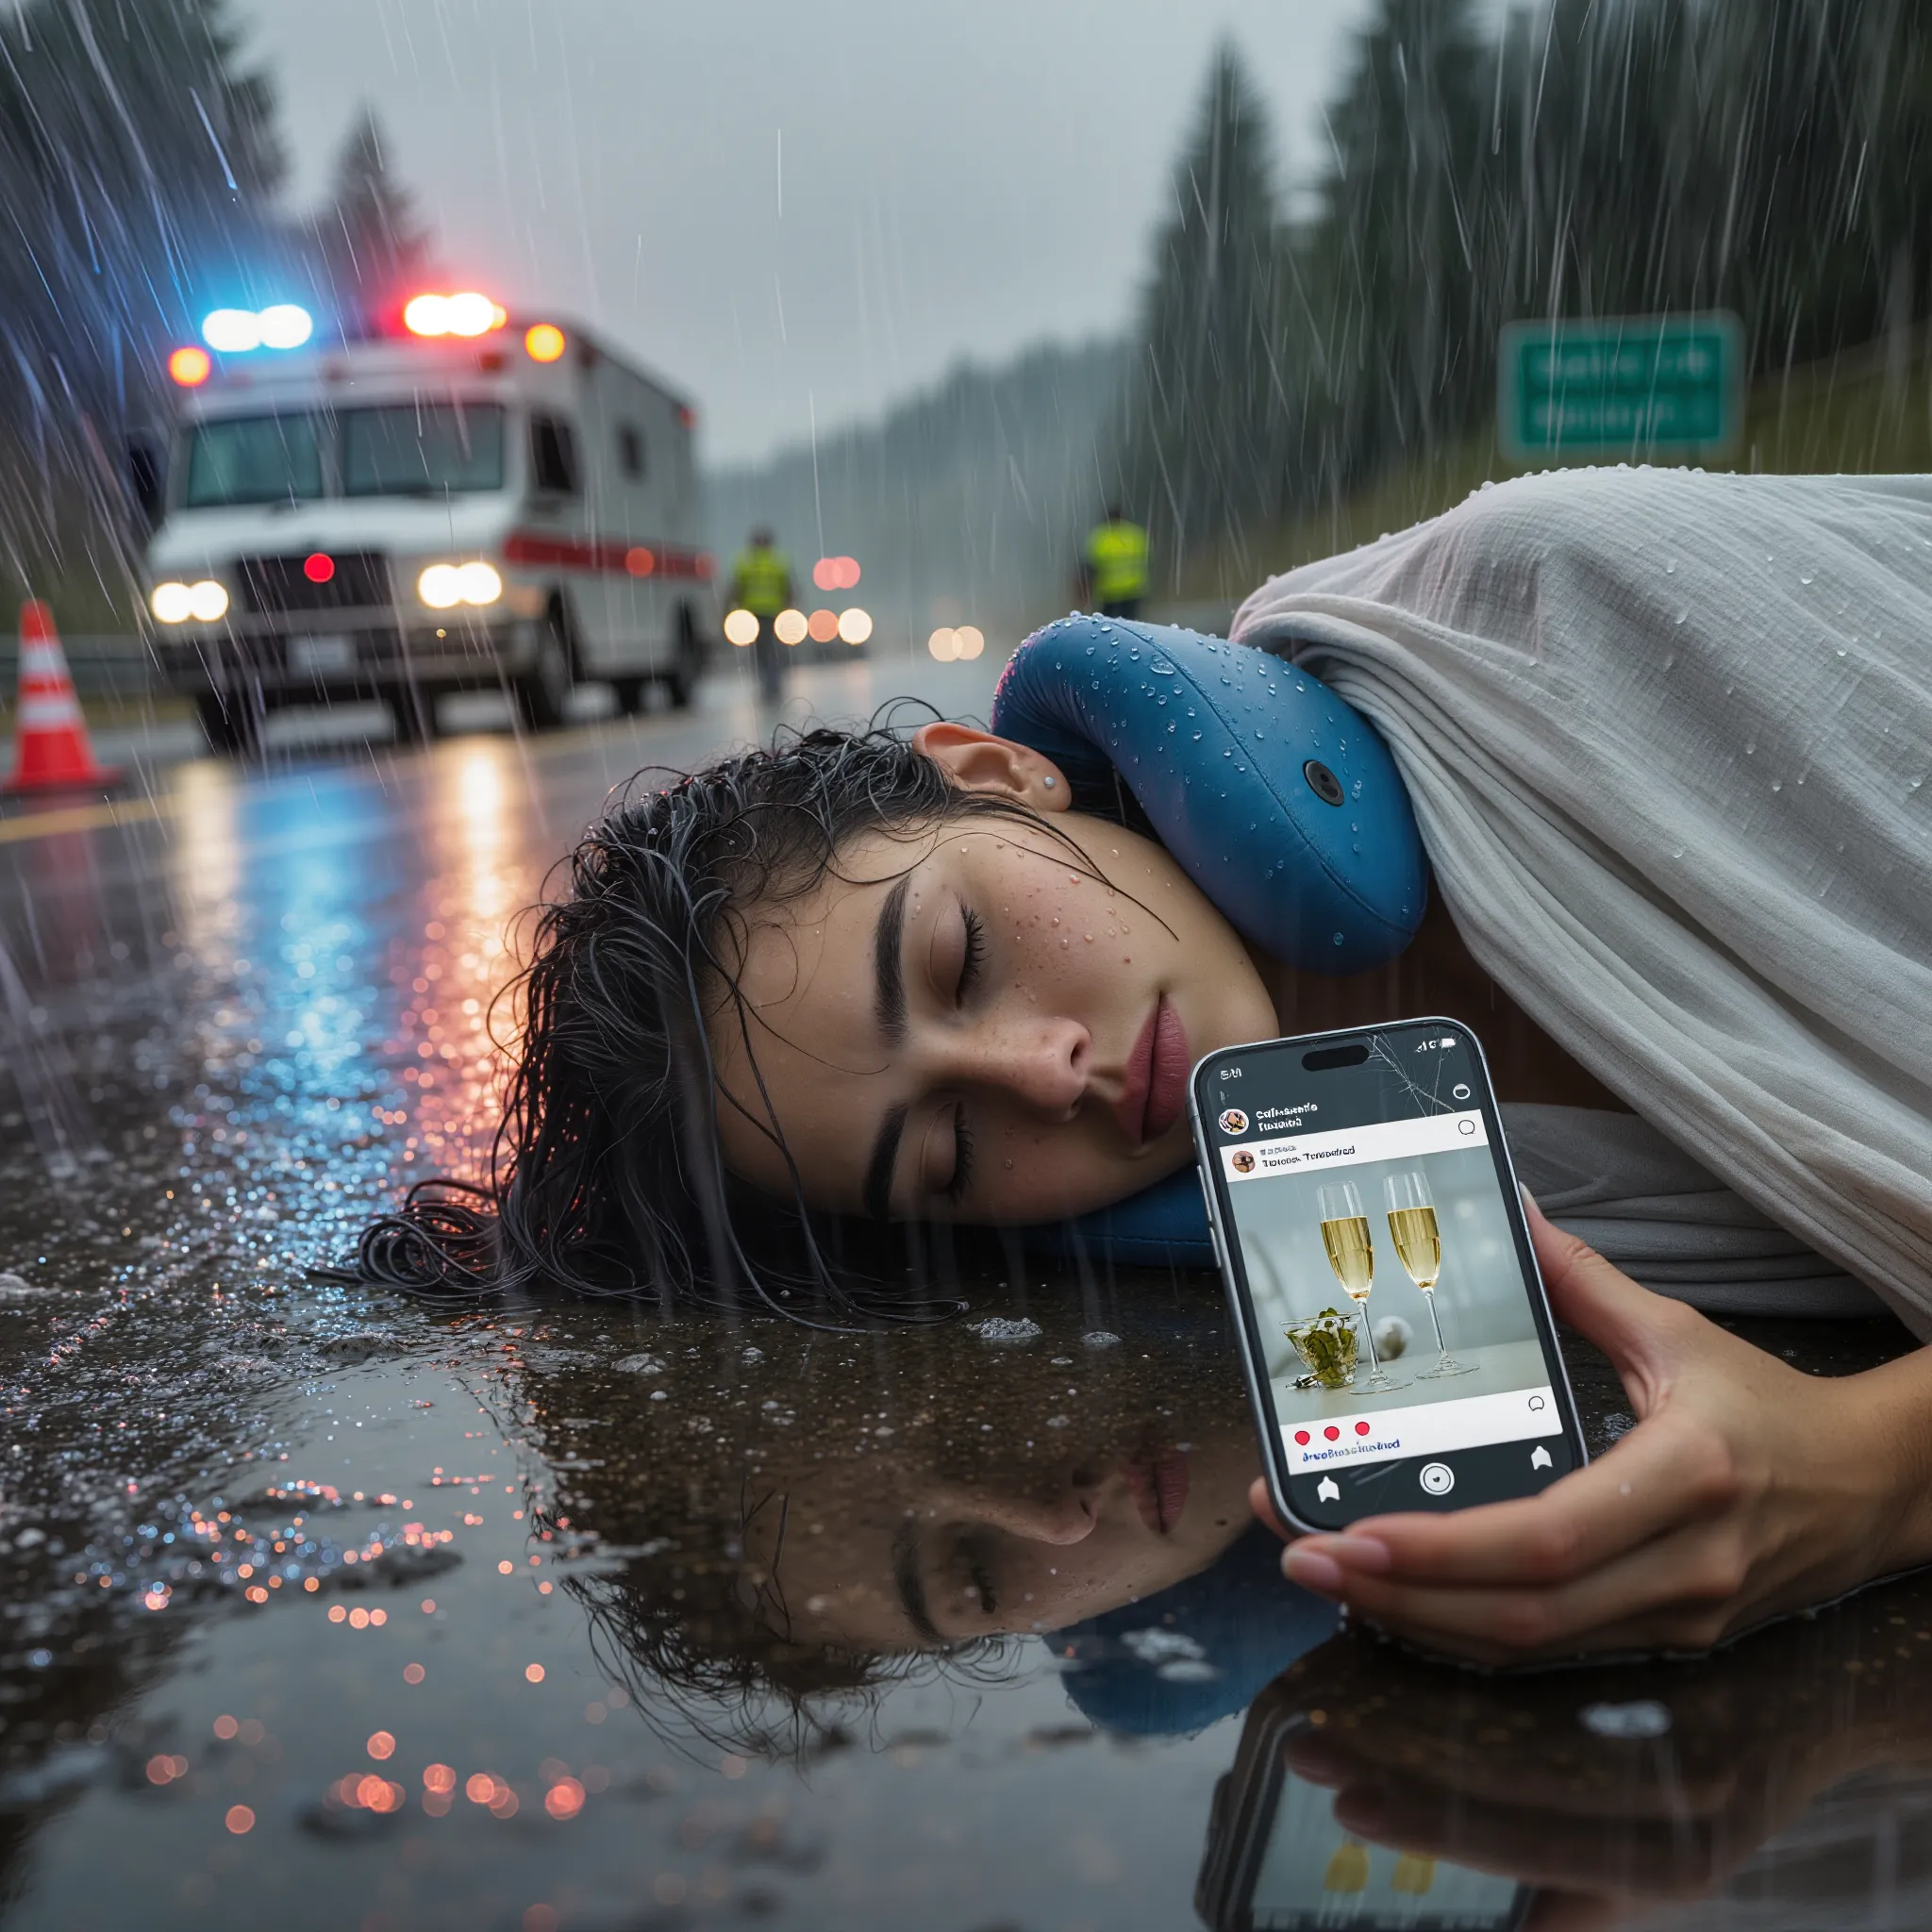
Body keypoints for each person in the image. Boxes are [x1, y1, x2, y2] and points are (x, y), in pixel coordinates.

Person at [362, 466, 1932, 1665]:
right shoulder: (1354, 1252)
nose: (1044, 1077)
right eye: (950, 1156)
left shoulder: (1561, 608)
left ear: (996, 772)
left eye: (955, 957)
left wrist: (1869, 1471)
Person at [727, 525, 793, 703]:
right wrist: (790, 607)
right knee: (775, 650)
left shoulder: (745, 563)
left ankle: (767, 683)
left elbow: (735, 589)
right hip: (774, 613)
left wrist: (730, 609)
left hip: (753, 614)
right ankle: (774, 682)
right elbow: (789, 589)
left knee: (760, 652)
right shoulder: (779, 562)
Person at [1078, 505, 1149, 618]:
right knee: (1131, 625)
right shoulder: (1136, 534)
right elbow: (1147, 560)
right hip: (1133, 591)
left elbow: (1090, 567)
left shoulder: (1100, 537)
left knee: (1109, 627)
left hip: (1109, 593)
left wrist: (1085, 594)